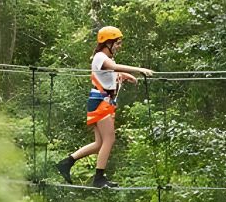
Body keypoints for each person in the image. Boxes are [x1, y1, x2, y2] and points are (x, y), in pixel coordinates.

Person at [56, 26, 154, 188]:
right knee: (110, 139)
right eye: (117, 43)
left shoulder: (105, 59)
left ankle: (67, 163)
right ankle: (99, 179)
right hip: (100, 102)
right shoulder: (100, 57)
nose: (119, 46)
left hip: (102, 102)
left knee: (99, 144)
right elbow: (113, 68)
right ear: (107, 43)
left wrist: (126, 76)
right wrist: (139, 70)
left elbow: (110, 74)